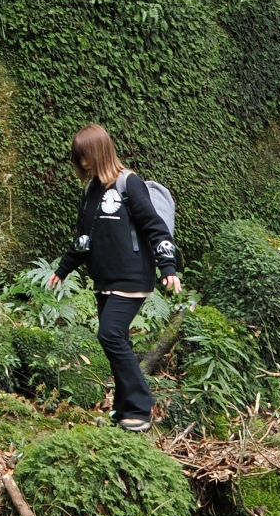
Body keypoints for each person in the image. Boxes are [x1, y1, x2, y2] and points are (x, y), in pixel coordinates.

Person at [48, 124, 181, 432]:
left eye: (86, 156)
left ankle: (140, 405)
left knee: (109, 335)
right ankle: (124, 408)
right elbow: (84, 238)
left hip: (132, 277)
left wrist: (168, 268)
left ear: (100, 151)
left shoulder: (128, 183)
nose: (82, 164)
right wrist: (63, 269)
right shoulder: (90, 189)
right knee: (115, 339)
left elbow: (155, 227)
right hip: (104, 280)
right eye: (78, 158)